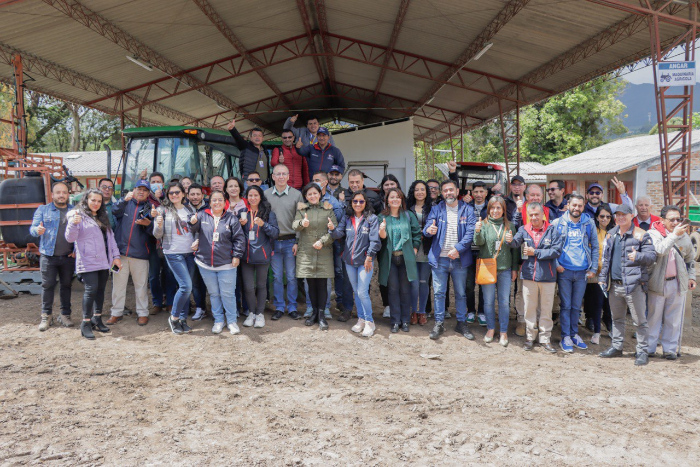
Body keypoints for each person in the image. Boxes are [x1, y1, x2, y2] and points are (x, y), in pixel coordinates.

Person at [598, 204, 656, 366]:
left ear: (632, 216)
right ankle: (617, 347)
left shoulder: (641, 235)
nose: (620, 217)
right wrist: (603, 278)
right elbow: (606, 259)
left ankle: (642, 351)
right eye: (618, 215)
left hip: (634, 285)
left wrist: (638, 256)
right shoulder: (611, 234)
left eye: (624, 214)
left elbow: (652, 256)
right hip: (614, 285)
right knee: (617, 319)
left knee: (640, 321)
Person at [423, 179, 476, 340]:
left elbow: (470, 233)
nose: (448, 193)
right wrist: (429, 230)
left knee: (461, 293)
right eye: (445, 191)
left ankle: (461, 322)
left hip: (459, 259)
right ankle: (439, 323)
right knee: (439, 293)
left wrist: (458, 249)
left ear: (457, 191)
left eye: (451, 190)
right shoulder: (436, 209)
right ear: (442, 193)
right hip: (440, 260)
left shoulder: (467, 210)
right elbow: (426, 229)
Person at [65, 189, 121, 340]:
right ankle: (86, 323)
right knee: (91, 290)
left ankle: (97, 318)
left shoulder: (103, 217)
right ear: (86, 200)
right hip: (87, 260)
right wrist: (73, 224)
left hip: (104, 260)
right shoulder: (77, 216)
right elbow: (70, 238)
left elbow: (111, 239)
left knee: (101, 290)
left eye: (98, 201)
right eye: (93, 200)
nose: (96, 203)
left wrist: (116, 257)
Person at [511, 202, 563, 353]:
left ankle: (545, 338)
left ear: (543, 215)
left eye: (536, 214)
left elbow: (556, 251)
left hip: (547, 276)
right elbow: (515, 243)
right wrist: (509, 239)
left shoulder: (552, 230)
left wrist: (536, 253)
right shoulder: (523, 229)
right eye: (531, 215)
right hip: (528, 275)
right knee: (529, 309)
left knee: (546, 310)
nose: (534, 218)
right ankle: (530, 337)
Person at [191, 190, 245, 334]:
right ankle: (219, 320)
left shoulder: (231, 219)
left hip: (227, 264)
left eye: (220, 200)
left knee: (228, 294)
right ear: (210, 202)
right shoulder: (202, 215)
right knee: (214, 293)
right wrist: (193, 222)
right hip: (205, 263)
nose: (217, 203)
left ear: (224, 202)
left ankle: (232, 321)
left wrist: (237, 255)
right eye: (214, 200)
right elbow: (193, 229)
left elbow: (239, 239)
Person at [646, 206, 696, 359]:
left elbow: (690, 259)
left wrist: (692, 276)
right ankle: (649, 348)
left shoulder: (685, 237)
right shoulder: (653, 234)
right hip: (657, 282)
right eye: (672, 219)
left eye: (678, 219)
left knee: (673, 319)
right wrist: (674, 236)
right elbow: (660, 250)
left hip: (677, 281)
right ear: (662, 220)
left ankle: (669, 349)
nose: (676, 222)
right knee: (653, 318)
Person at [551, 194, 599, 353]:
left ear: (583, 206)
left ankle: (574, 334)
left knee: (576, 306)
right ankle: (565, 336)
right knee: (566, 305)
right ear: (568, 204)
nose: (576, 208)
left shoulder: (588, 223)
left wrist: (592, 268)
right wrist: (557, 264)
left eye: (579, 205)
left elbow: (595, 246)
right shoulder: (558, 223)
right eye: (574, 205)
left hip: (582, 272)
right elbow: (551, 245)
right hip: (565, 270)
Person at [330, 191, 381, 336]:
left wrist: (370, 257)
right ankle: (361, 319)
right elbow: (338, 234)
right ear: (351, 203)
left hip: (365, 261)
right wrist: (332, 229)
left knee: (362, 292)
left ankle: (370, 322)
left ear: (366, 203)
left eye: (361, 201)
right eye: (355, 201)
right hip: (349, 261)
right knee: (357, 292)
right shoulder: (347, 218)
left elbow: (375, 241)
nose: (358, 204)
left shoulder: (371, 219)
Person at [107, 181, 153, 326]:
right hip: (119, 255)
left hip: (140, 255)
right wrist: (123, 200)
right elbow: (114, 211)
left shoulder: (150, 208)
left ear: (148, 193)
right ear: (133, 190)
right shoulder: (125, 203)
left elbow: (154, 233)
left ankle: (143, 313)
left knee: (141, 286)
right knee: (117, 285)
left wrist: (149, 224)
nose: (141, 192)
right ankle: (116, 313)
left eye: (145, 190)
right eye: (139, 189)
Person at [153, 182, 197, 335]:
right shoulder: (162, 210)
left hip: (190, 252)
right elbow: (157, 234)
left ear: (183, 194)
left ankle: (183, 319)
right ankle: (174, 318)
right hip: (173, 253)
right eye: (171, 193)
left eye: (177, 192)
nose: (174, 195)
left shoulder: (190, 209)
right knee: (186, 286)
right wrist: (158, 225)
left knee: (185, 287)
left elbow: (195, 229)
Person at [473, 196, 518, 347]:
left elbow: (515, 250)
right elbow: (478, 243)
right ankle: (491, 329)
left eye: (499, 208)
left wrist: (514, 268)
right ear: (488, 209)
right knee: (488, 301)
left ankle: (503, 331)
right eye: (492, 208)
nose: (495, 211)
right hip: (487, 268)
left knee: (504, 302)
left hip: (505, 269)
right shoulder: (484, 224)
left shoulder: (510, 226)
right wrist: (477, 231)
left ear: (504, 210)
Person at [31, 182, 75, 331]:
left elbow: (80, 232)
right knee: (48, 286)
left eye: (64, 192)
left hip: (68, 256)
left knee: (66, 286)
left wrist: (76, 249)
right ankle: (46, 315)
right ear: (53, 194)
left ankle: (65, 315)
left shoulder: (74, 211)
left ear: (68, 194)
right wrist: (37, 230)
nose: (61, 195)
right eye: (58, 192)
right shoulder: (43, 210)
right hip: (48, 256)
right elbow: (32, 228)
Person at [293, 183, 337, 330]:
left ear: (320, 194)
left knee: (322, 284)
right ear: (306, 196)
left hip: (323, 251)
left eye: (315, 193)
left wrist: (323, 241)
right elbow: (294, 225)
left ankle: (322, 315)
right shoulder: (302, 210)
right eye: (309, 194)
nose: (312, 196)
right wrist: (302, 223)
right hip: (307, 251)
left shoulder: (328, 209)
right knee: (311, 284)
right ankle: (314, 314)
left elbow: (334, 230)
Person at [377, 188, 421, 333]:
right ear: (387, 200)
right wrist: (382, 230)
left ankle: (405, 320)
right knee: (393, 290)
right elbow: (380, 239)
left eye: (398, 197)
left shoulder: (408, 215)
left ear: (402, 200)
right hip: (390, 258)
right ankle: (395, 321)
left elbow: (416, 233)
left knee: (405, 290)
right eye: (392, 197)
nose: (395, 199)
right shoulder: (381, 217)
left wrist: (414, 249)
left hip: (405, 258)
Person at [265, 165, 304, 320]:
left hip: (290, 242)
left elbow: (300, 218)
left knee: (292, 276)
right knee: (276, 276)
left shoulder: (297, 195)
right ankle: (280, 306)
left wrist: (297, 241)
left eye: (284, 174)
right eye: (278, 174)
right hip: (273, 243)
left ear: (288, 176)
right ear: (273, 177)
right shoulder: (266, 194)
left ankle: (292, 307)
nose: (281, 177)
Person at [239, 186, 279, 329]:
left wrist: (264, 225)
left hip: (262, 255)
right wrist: (239, 225)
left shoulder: (268, 214)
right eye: (250, 195)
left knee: (261, 286)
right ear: (247, 197)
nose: (253, 198)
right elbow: (236, 234)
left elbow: (275, 233)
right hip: (246, 256)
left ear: (260, 196)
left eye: (256, 195)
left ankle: (260, 314)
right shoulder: (242, 213)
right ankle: (251, 313)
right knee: (248, 287)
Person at [310, 171, 348, 320]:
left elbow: (338, 224)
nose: (315, 182)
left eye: (317, 180)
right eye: (313, 180)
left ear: (325, 183)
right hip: (317, 244)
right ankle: (321, 306)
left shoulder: (334, 202)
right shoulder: (309, 198)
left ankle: (339, 301)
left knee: (338, 272)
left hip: (334, 243)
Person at [582, 204, 614, 345]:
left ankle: (610, 327)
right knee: (597, 302)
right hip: (595, 273)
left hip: (611, 274)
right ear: (597, 217)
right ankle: (596, 331)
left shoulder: (614, 232)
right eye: (602, 216)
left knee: (609, 303)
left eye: (608, 216)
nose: (604, 219)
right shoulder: (593, 231)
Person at [146, 171, 173, 315]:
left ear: (163, 184)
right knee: (153, 275)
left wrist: (161, 199)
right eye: (153, 181)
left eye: (158, 181)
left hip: (168, 243)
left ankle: (169, 301)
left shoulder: (168, 198)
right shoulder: (146, 199)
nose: (156, 184)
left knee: (169, 274)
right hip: (152, 243)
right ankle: (157, 302)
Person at [407, 180, 433, 326]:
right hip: (412, 249)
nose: (420, 192)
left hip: (427, 250)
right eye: (417, 189)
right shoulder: (407, 209)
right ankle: (412, 311)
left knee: (424, 283)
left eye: (422, 189)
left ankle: (422, 311)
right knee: (413, 283)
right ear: (413, 192)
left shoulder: (432, 208)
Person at [466, 181, 488, 326]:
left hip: (484, 252)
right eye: (476, 192)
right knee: (468, 284)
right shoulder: (466, 207)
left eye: (481, 192)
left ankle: (481, 312)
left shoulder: (491, 207)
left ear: (486, 193)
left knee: (483, 283)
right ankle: (471, 310)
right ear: (472, 193)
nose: (479, 195)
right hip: (468, 251)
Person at [186, 183, 209, 320]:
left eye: (197, 194)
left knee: (208, 282)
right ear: (187, 195)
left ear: (202, 195)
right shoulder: (184, 209)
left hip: (206, 251)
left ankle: (214, 308)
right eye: (192, 194)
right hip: (188, 251)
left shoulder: (209, 208)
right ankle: (200, 307)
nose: (195, 197)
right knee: (194, 282)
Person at [227, 119, 270, 185]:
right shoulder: (246, 147)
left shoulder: (265, 150)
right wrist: (233, 130)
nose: (257, 137)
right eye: (255, 135)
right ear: (250, 137)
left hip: (264, 185)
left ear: (262, 138)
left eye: (259, 136)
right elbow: (239, 139)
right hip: (250, 184)